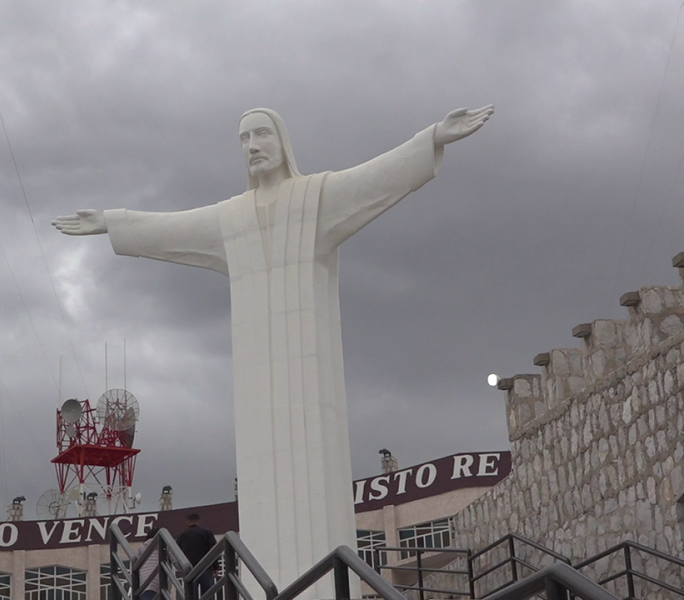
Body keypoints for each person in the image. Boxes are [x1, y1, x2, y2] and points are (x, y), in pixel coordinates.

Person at [53, 105, 493, 598]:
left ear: (283, 141)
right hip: (256, 391)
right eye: (243, 138)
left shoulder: (316, 197)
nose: (252, 145)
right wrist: (112, 222)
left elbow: (375, 178)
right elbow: (170, 228)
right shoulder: (231, 219)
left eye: (261, 134)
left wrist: (431, 138)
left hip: (310, 381)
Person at [176, 513, 217, 598]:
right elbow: (214, 550)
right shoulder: (206, 533)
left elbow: (177, 552)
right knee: (208, 594)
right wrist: (216, 566)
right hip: (205, 567)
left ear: (187, 522)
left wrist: (180, 567)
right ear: (198, 520)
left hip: (189, 569)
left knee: (191, 594)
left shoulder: (182, 536)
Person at [137, 527, 161, 600]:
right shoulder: (164, 545)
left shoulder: (142, 547)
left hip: (145, 581)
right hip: (160, 580)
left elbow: (136, 565)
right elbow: (176, 562)